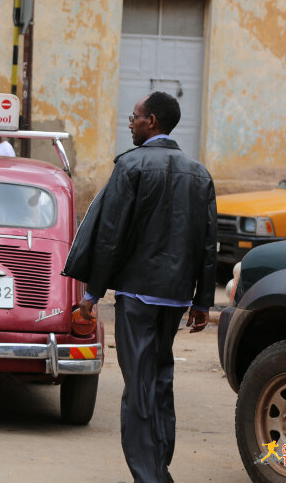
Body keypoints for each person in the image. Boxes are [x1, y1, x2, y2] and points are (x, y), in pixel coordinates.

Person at [62, 91, 216, 483]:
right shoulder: (199, 174)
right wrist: (201, 301)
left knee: (139, 387)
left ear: (153, 122)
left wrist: (91, 296)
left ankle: (150, 476)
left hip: (138, 295)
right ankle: (160, 465)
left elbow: (110, 236)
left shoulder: (130, 167)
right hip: (176, 296)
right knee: (161, 377)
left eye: (135, 116)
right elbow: (207, 243)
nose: (129, 122)